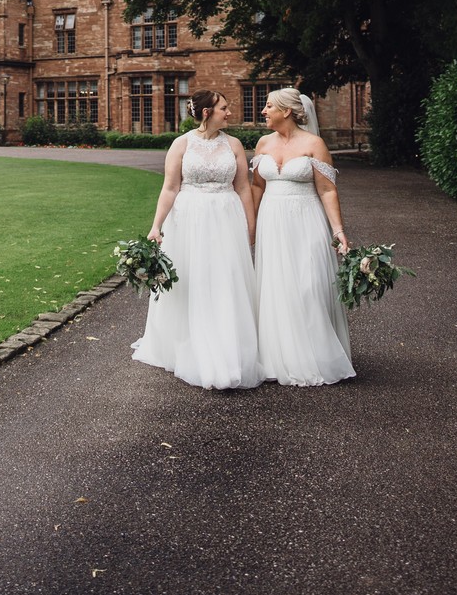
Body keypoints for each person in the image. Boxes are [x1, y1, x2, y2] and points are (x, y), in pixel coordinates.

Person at [131, 90, 262, 389]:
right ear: (207, 112)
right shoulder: (181, 144)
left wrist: (250, 226)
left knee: (226, 279)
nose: (229, 113)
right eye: (224, 108)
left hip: (227, 217)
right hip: (189, 219)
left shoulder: (235, 145)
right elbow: (170, 188)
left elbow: (243, 188)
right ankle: (186, 343)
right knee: (192, 279)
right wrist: (156, 226)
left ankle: (228, 344)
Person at [251, 86, 356, 386]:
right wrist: (250, 225)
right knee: (276, 285)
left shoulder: (314, 144)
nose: (263, 112)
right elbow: (257, 186)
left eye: (268, 106)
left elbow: (326, 189)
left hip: (306, 219)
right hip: (272, 220)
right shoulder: (262, 144)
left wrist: (338, 231)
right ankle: (276, 358)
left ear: (286, 111)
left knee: (309, 284)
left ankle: (316, 356)